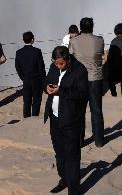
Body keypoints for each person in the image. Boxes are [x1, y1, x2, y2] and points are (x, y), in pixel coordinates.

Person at [44, 46, 89, 195]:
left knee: (72, 156)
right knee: (59, 153)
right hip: (55, 118)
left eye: (61, 63)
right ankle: (64, 180)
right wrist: (47, 88)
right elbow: (47, 80)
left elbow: (82, 93)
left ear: (68, 59)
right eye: (56, 63)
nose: (58, 66)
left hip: (71, 120)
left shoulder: (80, 70)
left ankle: (74, 190)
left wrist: (61, 91)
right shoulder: (53, 66)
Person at [68, 17, 105, 147]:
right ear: (92, 26)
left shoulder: (73, 41)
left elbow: (70, 58)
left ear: (81, 27)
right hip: (95, 78)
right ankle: (99, 140)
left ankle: (79, 140)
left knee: (79, 111)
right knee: (96, 109)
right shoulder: (99, 40)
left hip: (80, 80)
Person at [15, 31, 46, 118]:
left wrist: (23, 78)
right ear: (32, 40)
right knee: (36, 99)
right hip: (37, 80)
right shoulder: (37, 51)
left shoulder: (19, 52)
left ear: (23, 40)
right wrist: (44, 79)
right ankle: (35, 116)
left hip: (26, 80)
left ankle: (26, 117)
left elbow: (17, 67)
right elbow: (41, 67)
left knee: (27, 100)